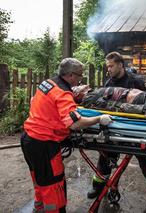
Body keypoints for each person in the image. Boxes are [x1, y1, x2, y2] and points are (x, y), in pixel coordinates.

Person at [20, 58, 112, 213]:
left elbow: (36, 102)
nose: (80, 80)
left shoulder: (47, 83)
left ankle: (39, 206)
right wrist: (99, 118)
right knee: (53, 185)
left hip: (28, 138)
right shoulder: (63, 93)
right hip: (45, 144)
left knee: (39, 178)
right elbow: (75, 123)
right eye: (79, 76)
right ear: (70, 75)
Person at [87, 52, 146, 205]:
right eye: (107, 66)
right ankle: (98, 187)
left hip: (134, 128)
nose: (109, 69)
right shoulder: (109, 83)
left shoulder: (136, 82)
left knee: (144, 160)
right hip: (115, 127)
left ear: (121, 65)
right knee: (105, 158)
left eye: (111, 66)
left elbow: (145, 104)